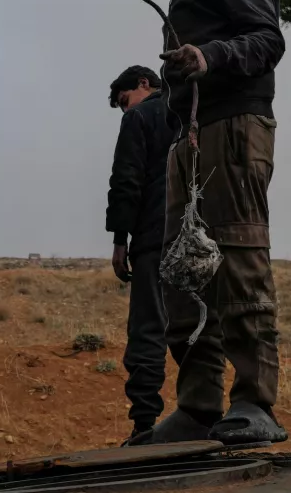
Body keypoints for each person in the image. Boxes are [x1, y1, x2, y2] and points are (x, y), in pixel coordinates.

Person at [147, 0, 287, 445]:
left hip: (233, 130)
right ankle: (199, 407)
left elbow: (268, 39)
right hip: (192, 136)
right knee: (184, 270)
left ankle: (256, 403)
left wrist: (208, 57)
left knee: (239, 258)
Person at [105, 65, 173, 444]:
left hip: (155, 238)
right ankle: (205, 414)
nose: (124, 110)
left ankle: (144, 425)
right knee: (199, 329)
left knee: (148, 330)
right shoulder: (193, 109)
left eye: (124, 100)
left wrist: (120, 240)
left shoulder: (139, 118)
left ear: (143, 84)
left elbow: (126, 179)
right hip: (203, 240)